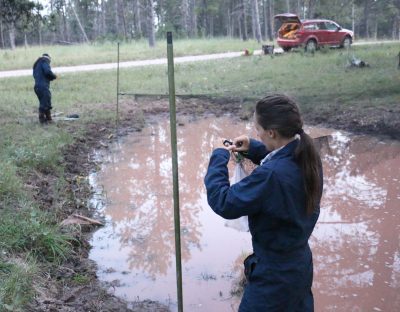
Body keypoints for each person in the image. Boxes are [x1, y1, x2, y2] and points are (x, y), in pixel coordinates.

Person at [204, 94, 323, 311]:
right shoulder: (307, 156)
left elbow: (223, 202)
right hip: (299, 267)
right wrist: (255, 148)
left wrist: (219, 155)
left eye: (257, 129)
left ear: (271, 132)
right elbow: (281, 165)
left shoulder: (270, 176)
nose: (255, 132)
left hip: (274, 278)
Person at [33, 53, 57, 124]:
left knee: (45, 102)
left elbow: (37, 75)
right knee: (45, 103)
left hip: (37, 87)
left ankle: (49, 119)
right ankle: (42, 121)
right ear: (48, 59)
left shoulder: (36, 65)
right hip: (43, 87)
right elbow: (47, 72)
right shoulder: (44, 61)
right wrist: (54, 76)